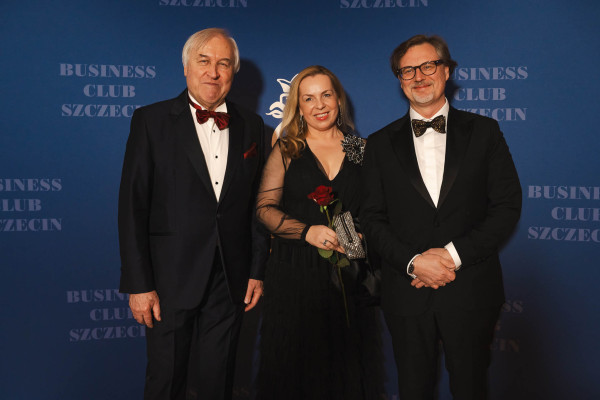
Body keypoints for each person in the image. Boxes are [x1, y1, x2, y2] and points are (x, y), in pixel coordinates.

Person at [361, 35, 522, 399]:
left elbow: (507, 206)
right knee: (413, 389)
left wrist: (450, 255)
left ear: (446, 71)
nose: (419, 76)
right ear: (400, 80)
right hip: (407, 291)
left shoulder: (485, 131)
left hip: (471, 287)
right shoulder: (380, 143)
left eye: (428, 66)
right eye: (408, 70)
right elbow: (371, 218)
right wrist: (414, 262)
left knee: (471, 388)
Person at [118, 28, 269, 400]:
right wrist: (139, 284)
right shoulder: (151, 120)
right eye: (204, 61)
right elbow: (132, 205)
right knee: (166, 381)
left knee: (219, 382)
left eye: (223, 64)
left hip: (230, 279)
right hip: (168, 279)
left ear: (233, 72)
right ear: (186, 67)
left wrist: (256, 270)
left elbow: (257, 204)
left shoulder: (252, 125)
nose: (213, 72)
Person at [255, 65, 383, 400]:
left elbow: (377, 211)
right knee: (293, 372)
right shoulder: (288, 149)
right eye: (308, 98)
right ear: (298, 106)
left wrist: (358, 238)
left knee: (347, 371)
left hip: (348, 276)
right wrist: (306, 232)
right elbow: (264, 209)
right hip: (293, 275)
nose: (319, 105)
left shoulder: (359, 148)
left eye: (326, 95)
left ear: (339, 100)